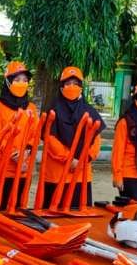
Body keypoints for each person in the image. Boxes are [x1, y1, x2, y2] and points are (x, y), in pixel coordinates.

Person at [41, 66, 103, 208]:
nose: (72, 87)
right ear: (61, 87)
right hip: (57, 174)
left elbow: (96, 139)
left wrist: (83, 159)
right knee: (55, 216)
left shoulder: (90, 112)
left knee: (79, 215)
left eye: (76, 84)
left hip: (81, 176)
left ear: (81, 87)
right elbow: (49, 139)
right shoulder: (52, 109)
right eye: (68, 83)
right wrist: (69, 159)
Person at [0, 61, 38, 207]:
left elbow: (34, 135)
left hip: (22, 170)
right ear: (8, 82)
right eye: (17, 80)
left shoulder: (31, 108)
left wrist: (26, 153)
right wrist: (14, 154)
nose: (22, 83)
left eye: (25, 80)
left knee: (18, 211)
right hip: (0, 169)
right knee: (0, 210)